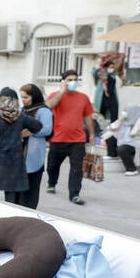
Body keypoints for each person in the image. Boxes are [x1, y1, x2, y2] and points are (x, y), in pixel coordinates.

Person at [0, 88, 43, 204]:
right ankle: (9, 214)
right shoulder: (20, 117)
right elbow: (38, 126)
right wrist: (23, 133)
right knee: (11, 193)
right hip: (14, 160)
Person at [45, 70, 95, 205]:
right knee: (52, 166)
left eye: (75, 79)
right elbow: (48, 106)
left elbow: (88, 117)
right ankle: (51, 183)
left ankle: (74, 194)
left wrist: (92, 134)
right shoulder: (55, 95)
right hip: (57, 139)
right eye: (69, 80)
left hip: (77, 140)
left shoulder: (83, 98)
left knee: (77, 169)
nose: (73, 82)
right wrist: (62, 92)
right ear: (63, 81)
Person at [17, 84, 53, 209]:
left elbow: (47, 129)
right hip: (19, 154)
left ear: (34, 96)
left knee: (31, 188)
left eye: (26, 97)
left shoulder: (44, 111)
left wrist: (31, 132)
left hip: (34, 154)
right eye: (22, 97)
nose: (23, 100)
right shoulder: (22, 110)